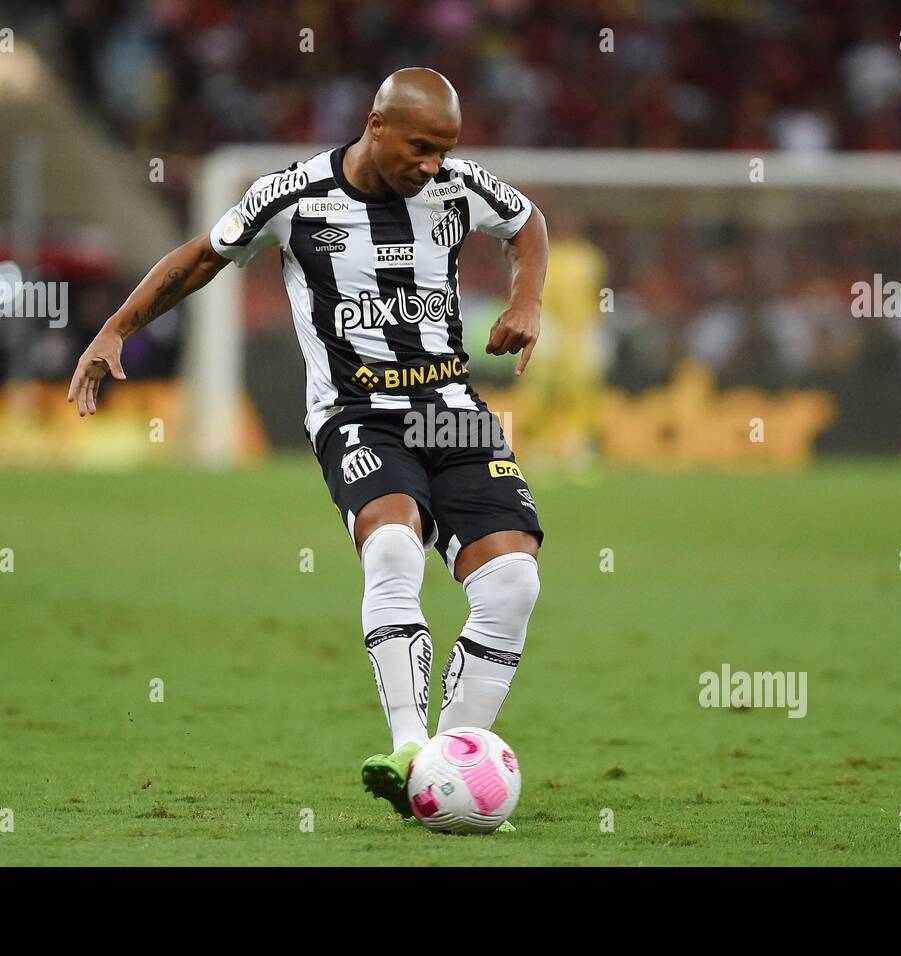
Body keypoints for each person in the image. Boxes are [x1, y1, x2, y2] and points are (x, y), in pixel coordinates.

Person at [67, 68, 548, 829]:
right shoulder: (294, 196)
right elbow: (200, 256)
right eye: (421, 147)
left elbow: (526, 222)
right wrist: (117, 330)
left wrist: (526, 298)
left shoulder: (459, 186)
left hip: (450, 410)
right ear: (377, 125)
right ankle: (408, 748)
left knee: (514, 584)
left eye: (446, 149)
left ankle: (453, 759)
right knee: (392, 549)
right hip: (358, 416)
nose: (432, 165)